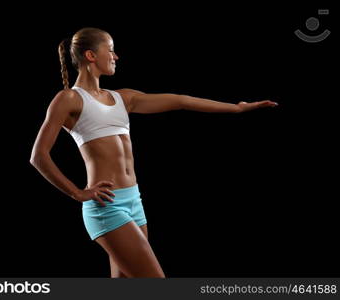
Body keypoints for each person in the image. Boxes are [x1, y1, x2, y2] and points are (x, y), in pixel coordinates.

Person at [29, 27, 278, 278]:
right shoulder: (69, 99)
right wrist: (77, 193)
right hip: (107, 206)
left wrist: (236, 108)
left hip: (133, 200)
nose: (116, 57)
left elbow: (182, 101)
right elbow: (38, 155)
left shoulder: (123, 98)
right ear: (91, 55)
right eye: (111, 50)